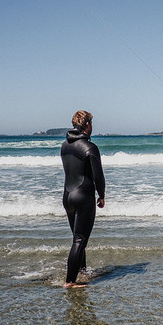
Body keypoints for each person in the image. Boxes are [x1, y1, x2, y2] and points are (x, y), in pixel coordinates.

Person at [61, 110, 105, 288]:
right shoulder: (90, 147)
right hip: (83, 197)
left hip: (68, 196)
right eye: (91, 123)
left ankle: (82, 271)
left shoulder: (65, 145)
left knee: (78, 238)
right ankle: (70, 282)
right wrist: (101, 196)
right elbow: (98, 177)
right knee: (80, 240)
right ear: (87, 125)